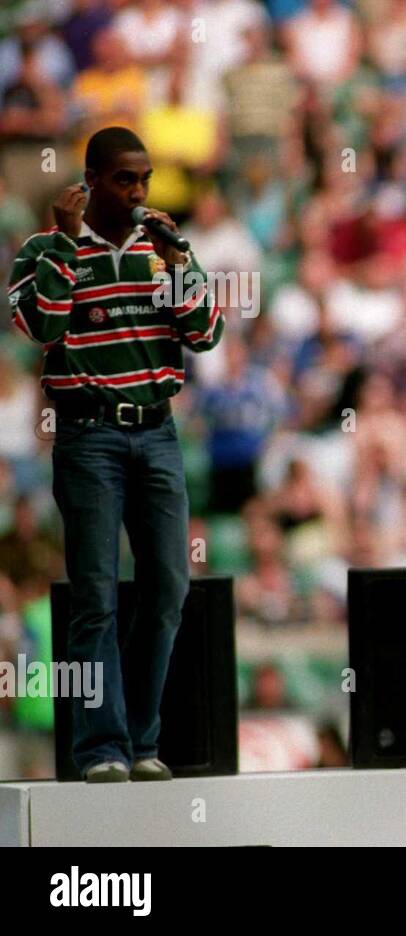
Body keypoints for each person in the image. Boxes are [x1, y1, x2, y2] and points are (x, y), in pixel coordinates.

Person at [6, 126, 224, 781]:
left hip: (157, 431)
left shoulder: (165, 248)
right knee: (96, 593)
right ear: (92, 179)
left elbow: (205, 333)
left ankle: (143, 740)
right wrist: (69, 245)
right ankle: (101, 749)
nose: (138, 191)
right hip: (87, 435)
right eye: (124, 179)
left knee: (167, 588)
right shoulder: (44, 249)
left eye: (145, 179)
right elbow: (40, 325)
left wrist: (180, 263)